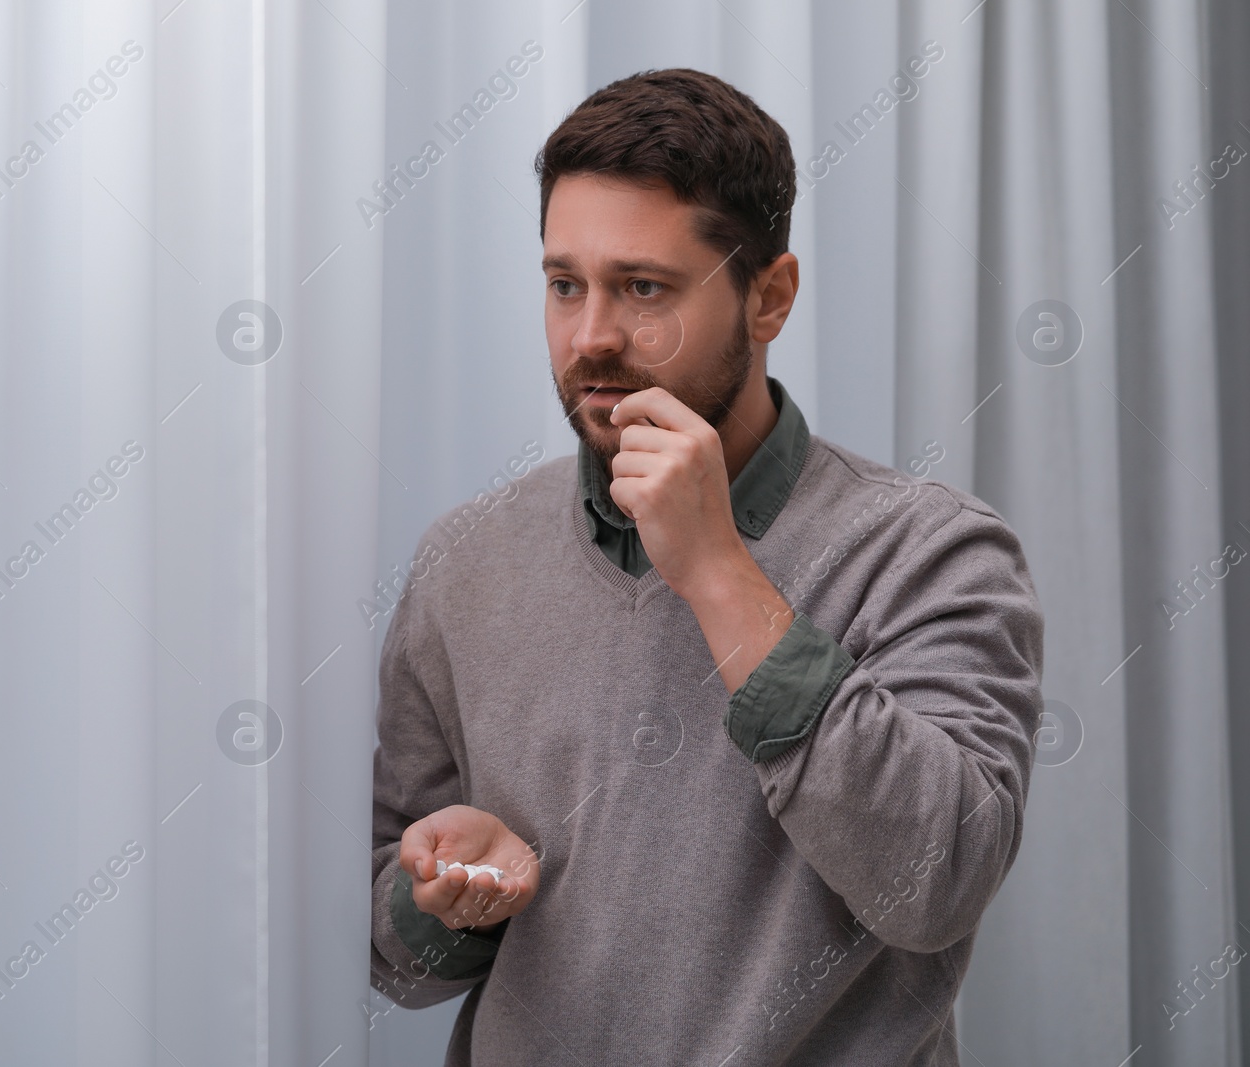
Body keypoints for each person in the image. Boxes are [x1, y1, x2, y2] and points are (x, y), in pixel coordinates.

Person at [368, 67, 1044, 1066]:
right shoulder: (463, 560)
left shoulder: (932, 550)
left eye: (642, 287)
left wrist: (718, 569)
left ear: (768, 297)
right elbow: (398, 965)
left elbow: (934, 881)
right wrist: (441, 896)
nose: (591, 334)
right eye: (565, 285)